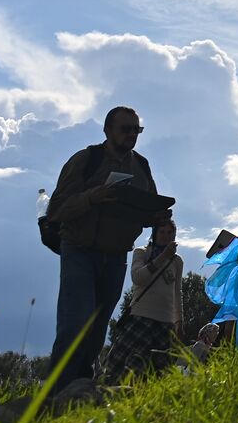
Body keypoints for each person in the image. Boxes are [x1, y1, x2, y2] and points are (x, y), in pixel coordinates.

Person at [46, 106, 165, 387]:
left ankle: (81, 386)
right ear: (107, 130)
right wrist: (92, 197)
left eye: (137, 130)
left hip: (116, 257)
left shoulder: (141, 166)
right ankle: (57, 391)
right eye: (126, 129)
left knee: (98, 328)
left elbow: (150, 207)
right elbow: (56, 209)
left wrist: (158, 215)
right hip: (79, 251)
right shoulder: (86, 160)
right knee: (75, 323)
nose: (132, 135)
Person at [99, 219, 184, 384]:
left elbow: (177, 291)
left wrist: (179, 319)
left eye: (169, 233)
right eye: (162, 232)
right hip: (141, 317)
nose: (166, 236)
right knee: (126, 366)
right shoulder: (142, 252)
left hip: (165, 323)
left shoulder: (177, 261)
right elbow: (138, 277)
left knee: (160, 371)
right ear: (154, 233)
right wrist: (162, 257)